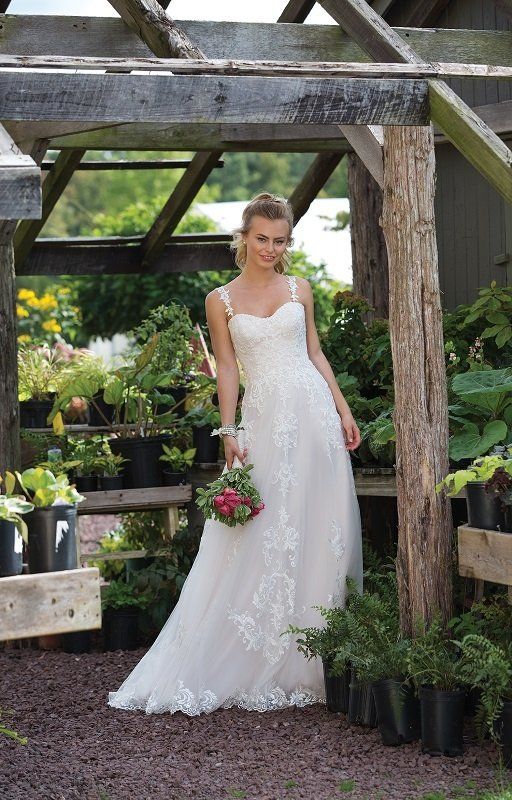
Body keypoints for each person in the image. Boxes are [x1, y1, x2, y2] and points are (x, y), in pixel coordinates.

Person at [108, 192, 363, 716]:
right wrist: (228, 429)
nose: (271, 248)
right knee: (259, 531)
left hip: (314, 420)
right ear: (243, 237)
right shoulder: (219, 300)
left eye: (280, 240)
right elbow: (227, 367)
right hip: (264, 420)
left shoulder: (301, 288)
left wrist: (343, 411)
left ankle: (315, 658)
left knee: (319, 529)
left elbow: (315, 351)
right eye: (262, 238)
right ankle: (255, 651)